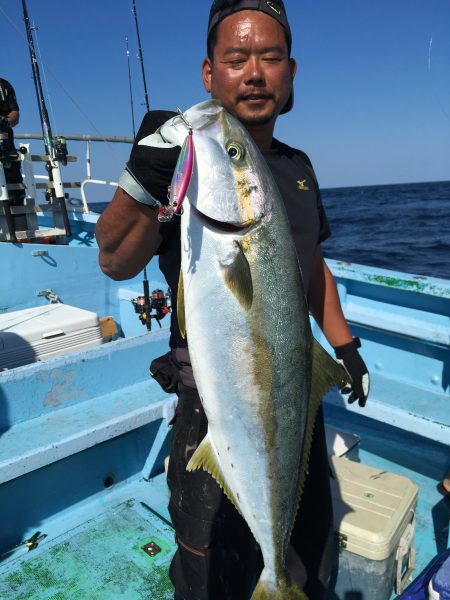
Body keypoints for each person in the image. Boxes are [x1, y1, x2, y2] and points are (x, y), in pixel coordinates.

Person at [97, 1, 370, 598]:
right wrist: (145, 184)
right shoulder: (190, 163)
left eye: (270, 59)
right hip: (213, 399)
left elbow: (312, 266)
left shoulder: (299, 169)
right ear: (208, 74)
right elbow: (115, 261)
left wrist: (345, 346)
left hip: (294, 385)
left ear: (290, 72)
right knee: (209, 568)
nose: (254, 73)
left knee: (307, 549)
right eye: (236, 58)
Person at [0, 78, 25, 218]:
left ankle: (19, 233)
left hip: (6, 149)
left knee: (15, 194)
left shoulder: (4, 85)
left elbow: (15, 114)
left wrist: (5, 122)